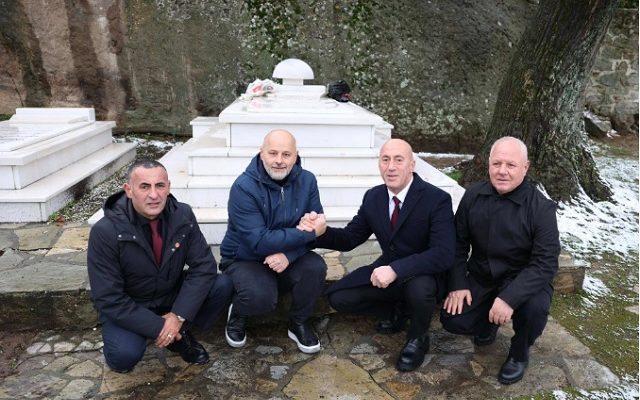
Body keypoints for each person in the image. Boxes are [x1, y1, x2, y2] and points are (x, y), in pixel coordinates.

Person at [302, 138, 455, 372]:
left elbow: (443, 253)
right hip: (388, 269)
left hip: (423, 273)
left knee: (419, 290)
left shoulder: (437, 199)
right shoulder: (373, 197)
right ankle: (398, 311)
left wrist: (396, 270)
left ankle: (418, 337)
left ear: (412, 164)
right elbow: (350, 238)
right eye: (385, 160)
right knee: (339, 297)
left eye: (398, 160)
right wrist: (320, 232)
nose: (391, 166)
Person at [87, 160, 233, 373]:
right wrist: (161, 326)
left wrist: (178, 316)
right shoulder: (105, 231)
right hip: (131, 303)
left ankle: (180, 333)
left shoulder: (182, 215)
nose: (154, 195)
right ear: (129, 190)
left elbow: (204, 267)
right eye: (144, 187)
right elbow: (109, 298)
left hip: (169, 295)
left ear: (168, 187)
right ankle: (169, 333)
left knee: (222, 284)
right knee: (123, 357)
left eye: (160, 186)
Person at [440, 136, 560, 385]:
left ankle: (519, 352)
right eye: (497, 164)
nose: (502, 171)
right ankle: (488, 325)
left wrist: (509, 299)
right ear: (489, 165)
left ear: (525, 167)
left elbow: (545, 263)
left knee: (534, 311)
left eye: (511, 165)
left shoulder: (541, 208)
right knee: (453, 319)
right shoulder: (473, 195)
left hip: (523, 279)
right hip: (483, 275)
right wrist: (458, 283)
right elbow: (458, 244)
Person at [220, 129, 327, 354]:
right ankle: (238, 311)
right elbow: (259, 241)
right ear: (262, 153)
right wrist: (307, 234)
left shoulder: (307, 180)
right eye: (273, 153)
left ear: (296, 156)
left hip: (287, 253)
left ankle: (298, 322)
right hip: (246, 258)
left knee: (315, 267)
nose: (279, 160)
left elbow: (317, 225)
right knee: (261, 297)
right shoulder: (243, 187)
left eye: (286, 154)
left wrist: (289, 255)